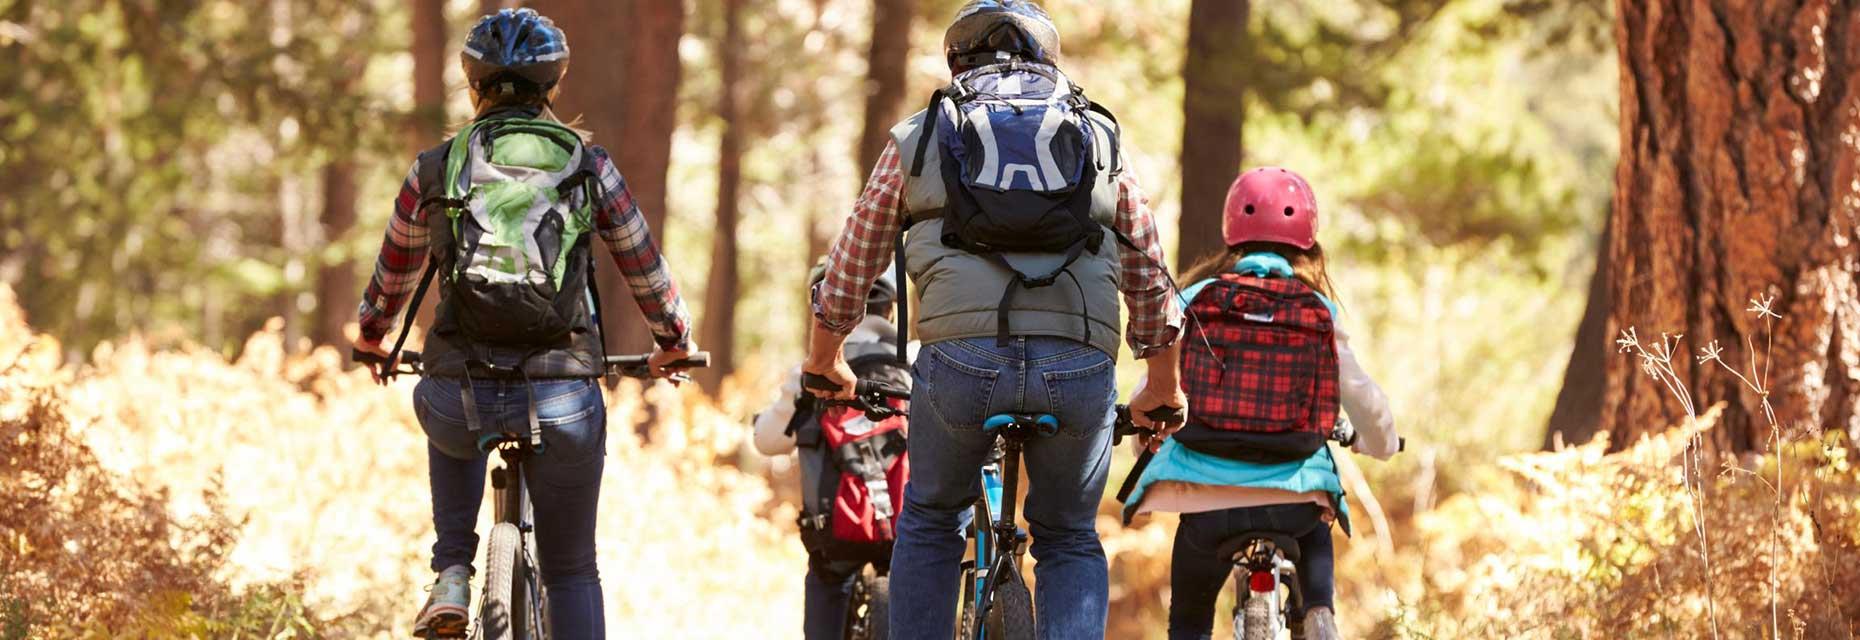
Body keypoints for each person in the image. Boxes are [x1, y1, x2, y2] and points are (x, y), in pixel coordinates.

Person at [804, 2, 1187, 637]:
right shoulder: (1100, 137)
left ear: (957, 60)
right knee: (1067, 535)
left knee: (930, 519)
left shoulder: (920, 136)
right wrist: (1162, 384)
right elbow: (1149, 275)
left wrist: (825, 358)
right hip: (1079, 364)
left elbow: (851, 264)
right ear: (1049, 61)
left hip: (960, 362)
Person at [349, 9, 695, 638]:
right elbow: (643, 265)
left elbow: (394, 270)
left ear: (472, 85)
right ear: (552, 87)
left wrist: (373, 337)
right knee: (571, 569)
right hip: (563, 394)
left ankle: (452, 571)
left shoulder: (437, 165)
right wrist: (674, 341)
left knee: (450, 408)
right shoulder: (589, 164)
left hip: (459, 389)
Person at [1121, 168, 1400, 640]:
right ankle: (1319, 611)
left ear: (1233, 232)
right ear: (1308, 242)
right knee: (1317, 523)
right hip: (1292, 498)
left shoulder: (1196, 299)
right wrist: (1382, 444)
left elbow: (1157, 387)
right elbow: (1362, 397)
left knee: (1189, 610)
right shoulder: (1316, 309)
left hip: (1208, 502)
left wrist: (1142, 444)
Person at [752, 261, 913, 639]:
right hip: (909, 523)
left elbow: (767, 441)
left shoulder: (812, 371)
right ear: (891, 309)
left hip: (838, 527)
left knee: (828, 574)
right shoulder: (915, 360)